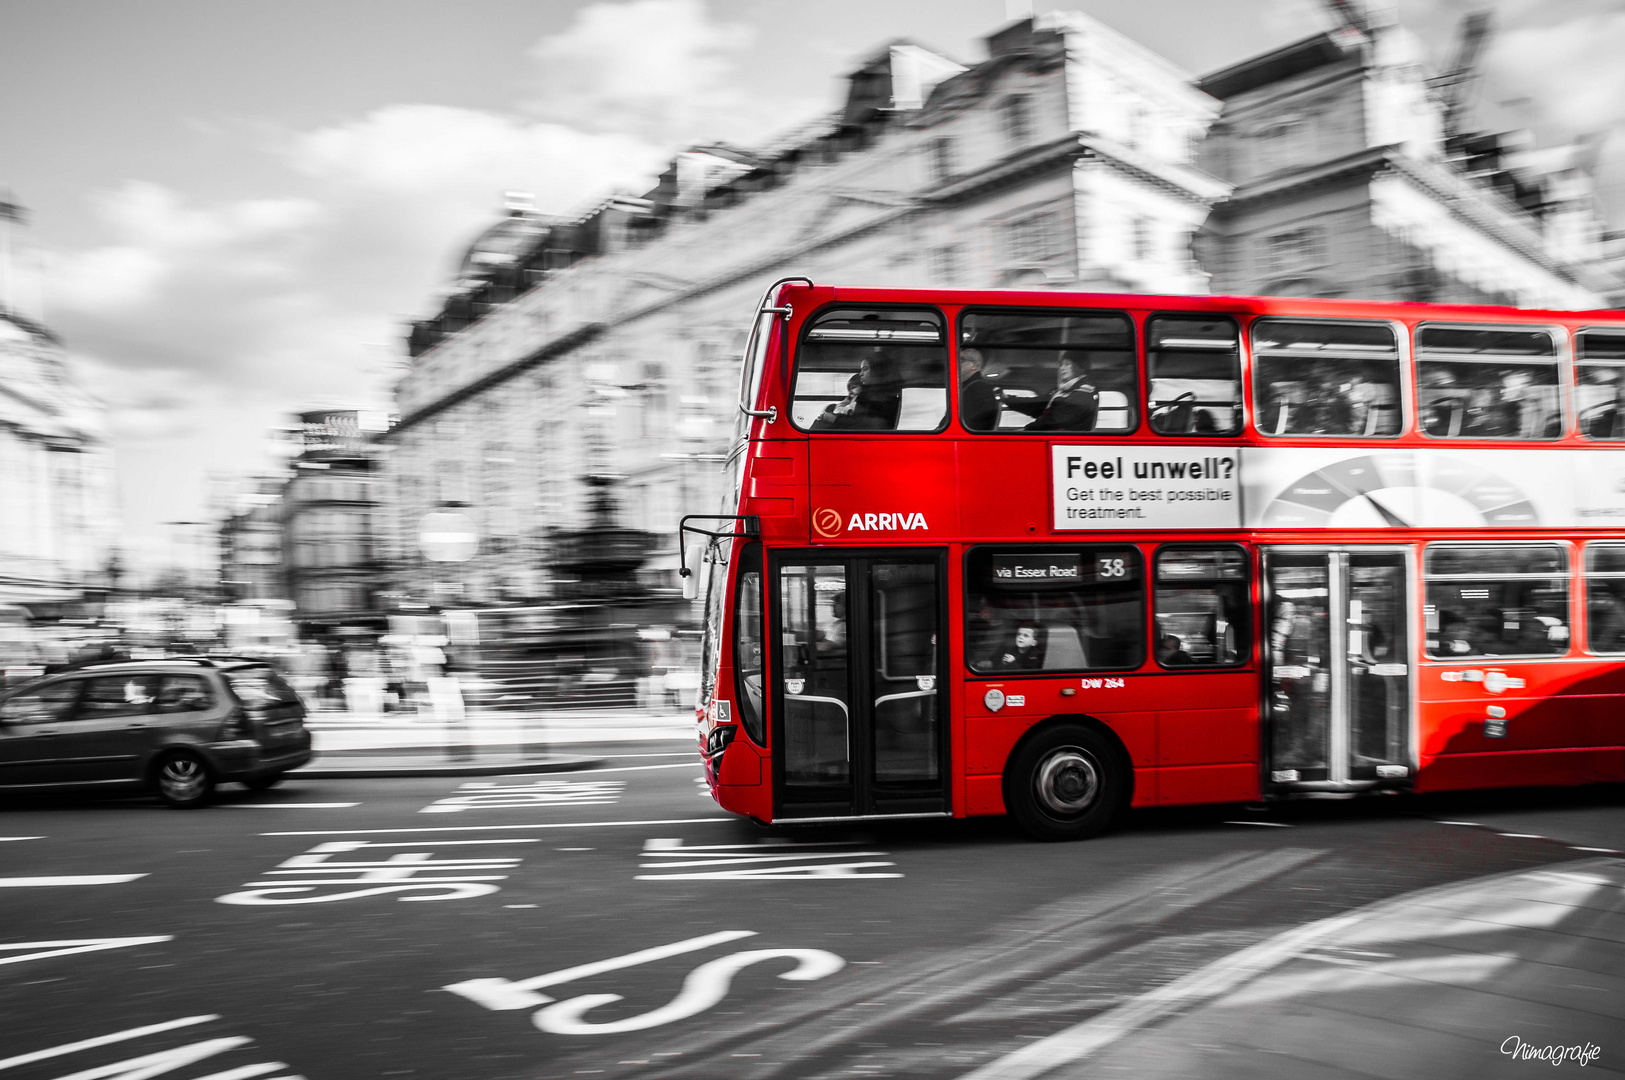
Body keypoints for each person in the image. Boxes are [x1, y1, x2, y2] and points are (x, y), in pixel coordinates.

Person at [1006, 351, 1099, 431]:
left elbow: (1057, 419)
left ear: (1078, 366)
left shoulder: (1083, 393)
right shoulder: (1063, 391)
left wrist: (1027, 430)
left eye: (1067, 364)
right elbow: (1038, 404)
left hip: (1067, 444)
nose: (1062, 368)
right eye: (1062, 364)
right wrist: (1008, 399)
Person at [958, 347, 1001, 431]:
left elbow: (969, 424)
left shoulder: (979, 389)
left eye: (961, 360)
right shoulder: (969, 387)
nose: (957, 364)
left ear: (974, 365)